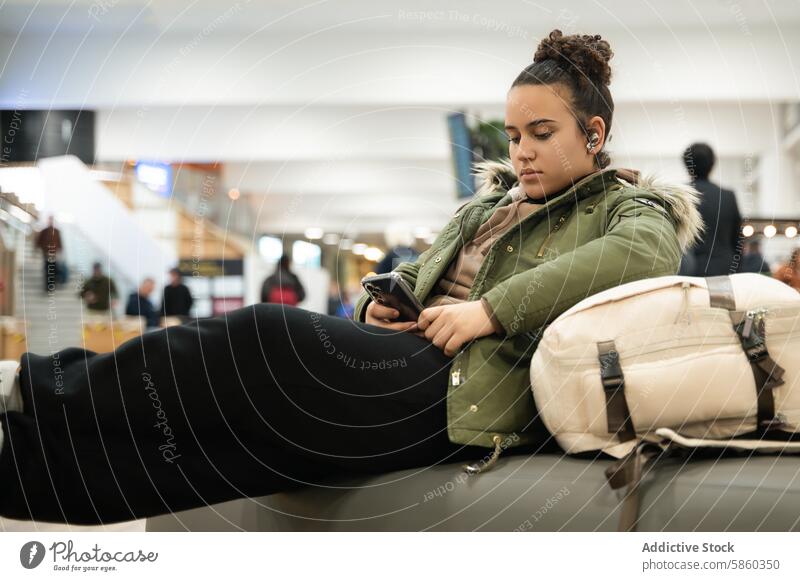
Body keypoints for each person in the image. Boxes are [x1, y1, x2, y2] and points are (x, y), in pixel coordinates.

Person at [0, 30, 701, 524]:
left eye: (541, 134)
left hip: (464, 386)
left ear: (595, 134)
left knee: (262, 335)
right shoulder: (493, 203)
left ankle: (39, 387)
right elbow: (421, 271)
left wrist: (488, 310)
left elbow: (640, 258)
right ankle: (22, 470)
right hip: (406, 355)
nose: (522, 151)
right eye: (515, 135)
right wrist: (385, 303)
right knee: (243, 446)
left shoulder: (630, 208)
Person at [682, 142, 742, 276]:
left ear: (687, 165)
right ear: (712, 164)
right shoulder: (728, 196)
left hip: (690, 273)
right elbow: (737, 240)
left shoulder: (681, 195)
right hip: (724, 270)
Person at [34, 215, 63, 293]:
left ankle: (52, 285)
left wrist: (59, 250)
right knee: (47, 270)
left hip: (53, 254)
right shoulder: (44, 231)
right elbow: (39, 241)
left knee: (53, 270)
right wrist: (40, 249)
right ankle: (47, 286)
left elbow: (59, 242)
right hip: (46, 254)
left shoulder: (56, 231)